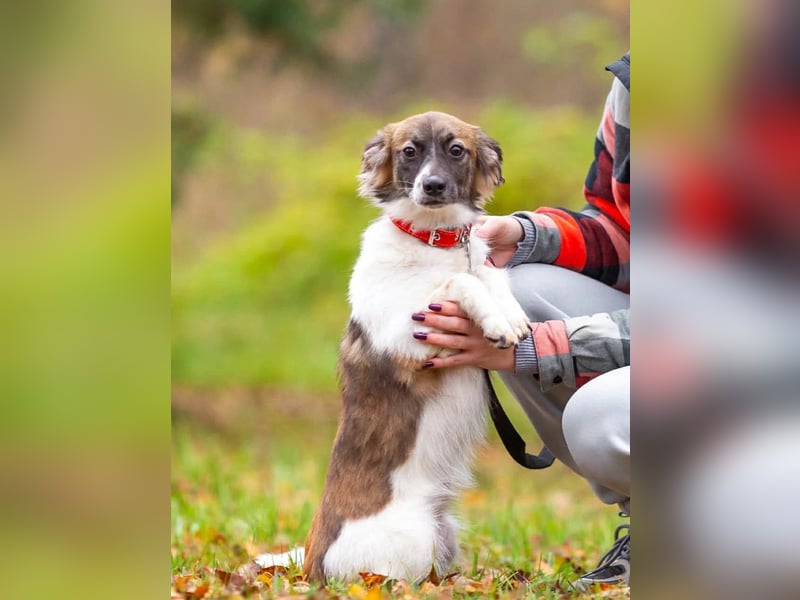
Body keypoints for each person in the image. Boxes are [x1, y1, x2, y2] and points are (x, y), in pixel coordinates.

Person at [413, 53, 630, 590]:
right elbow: (624, 232)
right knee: (519, 284)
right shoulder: (638, 83)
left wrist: (533, 348)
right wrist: (527, 233)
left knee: (600, 418)